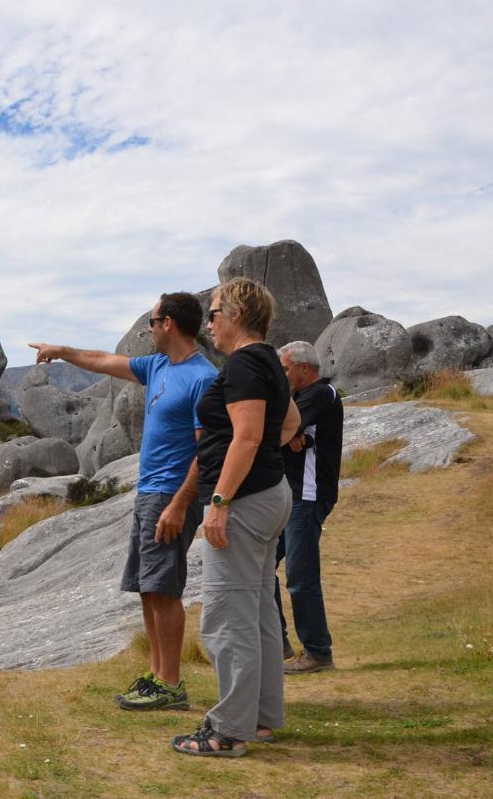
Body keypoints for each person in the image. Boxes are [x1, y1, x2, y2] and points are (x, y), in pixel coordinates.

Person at [30, 292, 216, 710]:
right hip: (150, 492)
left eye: (152, 322)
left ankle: (170, 684)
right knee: (149, 588)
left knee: (165, 589)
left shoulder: (202, 378)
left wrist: (180, 504)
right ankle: (156, 676)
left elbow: (208, 451)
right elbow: (101, 361)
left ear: (168, 324)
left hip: (170, 495)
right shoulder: (158, 366)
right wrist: (61, 351)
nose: (148, 329)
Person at [172, 277, 299, 757]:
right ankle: (260, 719)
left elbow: (246, 437)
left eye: (214, 313)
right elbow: (287, 424)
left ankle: (228, 731)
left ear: (237, 316)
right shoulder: (267, 361)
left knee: (228, 614)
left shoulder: (245, 364)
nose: (209, 323)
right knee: (261, 611)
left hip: (244, 502)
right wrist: (263, 460)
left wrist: (221, 502)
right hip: (269, 493)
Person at [275, 340, 343, 673]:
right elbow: (278, 427)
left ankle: (317, 652)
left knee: (300, 576)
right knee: (260, 566)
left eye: (285, 368)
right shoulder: (297, 399)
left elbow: (277, 430)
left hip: (308, 494)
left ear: (304, 368)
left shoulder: (321, 394)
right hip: (288, 494)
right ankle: (278, 643)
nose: (281, 374)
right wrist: (290, 434)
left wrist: (289, 433)